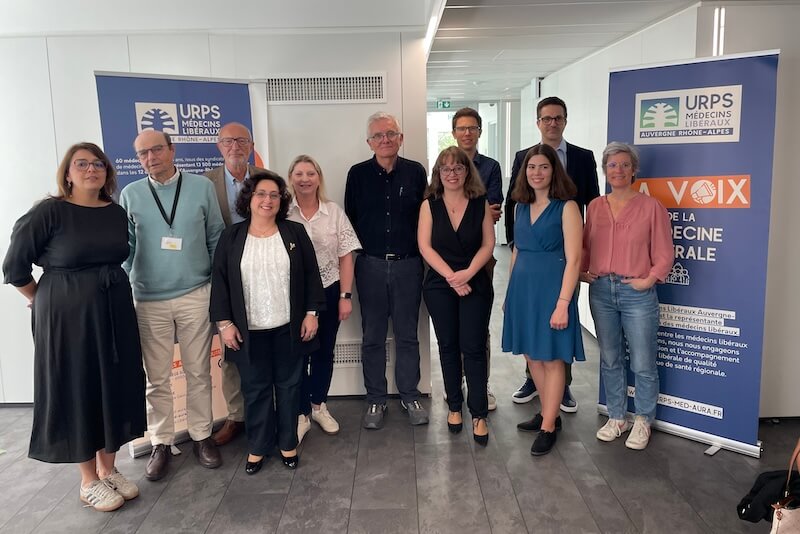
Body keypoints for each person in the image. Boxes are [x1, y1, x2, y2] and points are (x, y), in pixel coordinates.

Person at [2, 143, 146, 512]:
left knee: (114, 384)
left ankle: (109, 468)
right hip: (66, 319)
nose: (90, 170)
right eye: (81, 164)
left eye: (98, 164)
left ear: (107, 172)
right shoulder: (49, 212)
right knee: (78, 387)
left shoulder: (115, 212)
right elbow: (14, 267)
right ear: (67, 173)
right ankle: (88, 481)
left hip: (113, 310)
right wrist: (43, 299)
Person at [120, 130, 225, 481]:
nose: (150, 158)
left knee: (198, 372)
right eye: (142, 154)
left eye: (156, 150)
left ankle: (201, 436)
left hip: (196, 292)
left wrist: (217, 286)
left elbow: (215, 237)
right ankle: (161, 442)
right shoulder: (131, 193)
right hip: (149, 298)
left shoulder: (201, 187)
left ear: (171, 150)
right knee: (157, 377)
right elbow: (127, 248)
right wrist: (121, 287)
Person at [210, 171, 325, 475]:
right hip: (248, 332)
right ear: (249, 198)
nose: (268, 200)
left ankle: (287, 443)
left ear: (281, 201)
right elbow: (220, 283)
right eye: (261, 193)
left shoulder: (295, 233)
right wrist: (225, 324)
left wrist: (312, 313)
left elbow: (312, 276)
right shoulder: (231, 236)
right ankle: (258, 446)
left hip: (288, 327)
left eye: (274, 195)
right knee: (256, 389)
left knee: (289, 387)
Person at [507, 96, 600, 413]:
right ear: (538, 122)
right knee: (533, 326)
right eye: (546, 118)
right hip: (531, 258)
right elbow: (514, 207)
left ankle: (562, 389)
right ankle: (535, 383)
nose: (552, 123)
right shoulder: (524, 157)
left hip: (563, 260)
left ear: (565, 120)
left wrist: (584, 262)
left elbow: (592, 211)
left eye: (557, 118)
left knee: (559, 326)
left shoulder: (583, 158)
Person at [581, 142, 673, 451]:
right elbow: (584, 246)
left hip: (637, 292)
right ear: (604, 170)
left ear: (634, 170)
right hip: (602, 291)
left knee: (643, 361)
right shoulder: (594, 206)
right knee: (610, 358)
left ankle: (643, 419)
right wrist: (583, 271)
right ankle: (617, 416)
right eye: (612, 165)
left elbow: (664, 253)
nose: (618, 170)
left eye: (624, 165)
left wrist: (648, 279)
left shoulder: (651, 207)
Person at [345, 112, 429, 430]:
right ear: (369, 142)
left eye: (390, 134)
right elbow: (351, 218)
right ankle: (376, 399)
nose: (385, 140)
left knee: (408, 336)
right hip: (370, 265)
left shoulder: (416, 173)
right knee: (373, 337)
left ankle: (410, 395)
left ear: (401, 138)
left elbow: (426, 217)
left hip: (409, 264)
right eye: (378, 136)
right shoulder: (357, 175)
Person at [502, 144, 585, 456]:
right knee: (531, 355)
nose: (536, 173)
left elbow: (574, 259)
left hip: (552, 289)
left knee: (551, 358)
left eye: (543, 167)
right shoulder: (519, 206)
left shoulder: (568, 207)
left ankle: (549, 425)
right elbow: (517, 250)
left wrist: (563, 302)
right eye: (531, 167)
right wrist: (510, 294)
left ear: (554, 171)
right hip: (523, 289)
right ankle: (549, 412)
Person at [418, 147, 495, 445]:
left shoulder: (480, 203)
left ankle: (478, 413)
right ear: (438, 173)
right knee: (448, 346)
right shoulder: (429, 204)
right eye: (445, 169)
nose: (451, 174)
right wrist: (452, 277)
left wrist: (467, 274)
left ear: (467, 172)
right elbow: (425, 247)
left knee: (473, 347)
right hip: (440, 283)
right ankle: (454, 406)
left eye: (458, 168)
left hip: (475, 282)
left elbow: (488, 245)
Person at [287, 155, 361, 442]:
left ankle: (319, 405)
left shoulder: (333, 212)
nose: (305, 179)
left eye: (310, 173)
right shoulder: (283, 213)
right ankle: (300, 412)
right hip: (293, 296)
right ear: (291, 178)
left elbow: (346, 256)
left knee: (323, 351)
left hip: (329, 291)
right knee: (296, 355)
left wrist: (345, 295)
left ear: (319, 178)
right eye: (299, 173)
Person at [205, 122, 266, 446]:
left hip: (263, 275)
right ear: (219, 146)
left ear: (251, 144)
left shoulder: (266, 178)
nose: (235, 147)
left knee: (264, 344)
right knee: (230, 348)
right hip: (226, 276)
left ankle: (264, 411)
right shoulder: (204, 184)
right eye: (228, 141)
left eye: (242, 141)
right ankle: (236, 416)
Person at [451, 107, 502, 411]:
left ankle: (480, 388)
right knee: (452, 327)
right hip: (447, 259)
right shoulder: (444, 164)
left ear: (480, 132)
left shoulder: (491, 167)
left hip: (482, 257)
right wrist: (476, 209)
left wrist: (460, 209)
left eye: (472, 128)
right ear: (454, 132)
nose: (467, 133)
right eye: (461, 128)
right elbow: (436, 208)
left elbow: (492, 210)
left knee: (478, 326)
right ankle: (456, 385)